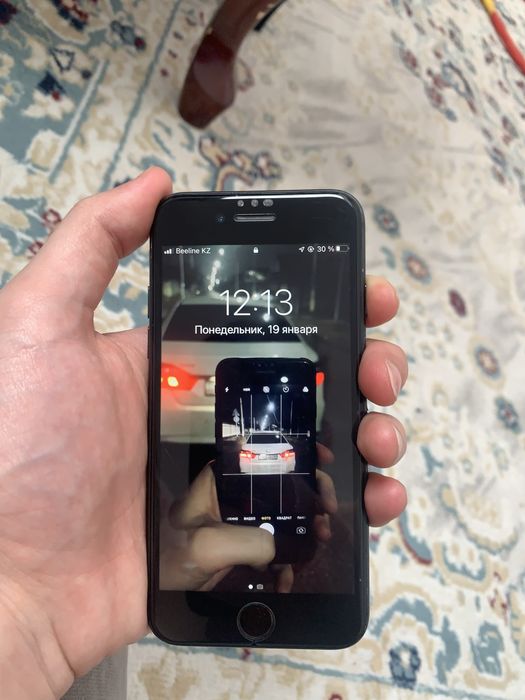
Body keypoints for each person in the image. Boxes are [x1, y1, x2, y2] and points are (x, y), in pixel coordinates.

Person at [0, 168, 408, 699]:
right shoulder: (296, 352)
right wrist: (22, 599)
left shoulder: (191, 340)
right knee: (299, 477)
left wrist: (24, 603)